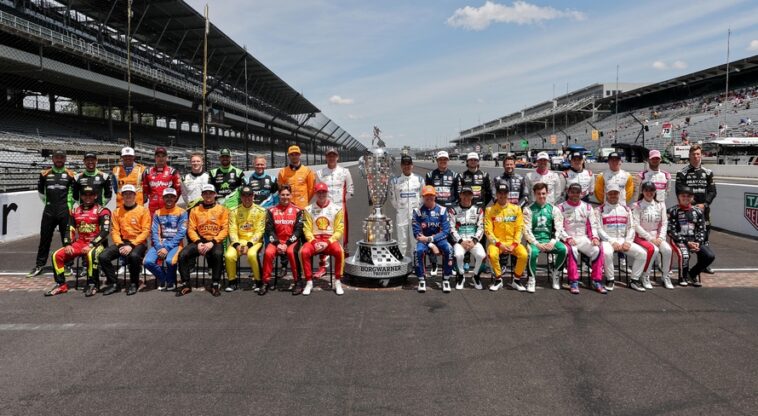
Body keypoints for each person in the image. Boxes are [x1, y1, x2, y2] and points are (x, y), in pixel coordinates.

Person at [46, 185, 111, 297]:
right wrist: (67, 244)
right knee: (56, 255)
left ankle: (92, 284)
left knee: (91, 254)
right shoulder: (75, 211)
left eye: (90, 195)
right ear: (81, 196)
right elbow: (69, 229)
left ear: (95, 196)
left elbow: (104, 232)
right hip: (80, 243)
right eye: (85, 195)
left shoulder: (103, 211)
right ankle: (61, 284)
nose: (87, 197)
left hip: (98, 244)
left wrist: (91, 245)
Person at [28, 149, 75, 277]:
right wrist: (48, 204)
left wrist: (68, 206)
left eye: (61, 157)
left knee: (67, 239)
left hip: (65, 210)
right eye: (56, 157)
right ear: (52, 159)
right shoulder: (44, 174)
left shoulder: (71, 174)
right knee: (44, 239)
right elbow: (41, 192)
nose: (59, 159)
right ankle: (39, 265)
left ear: (65, 159)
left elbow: (75, 194)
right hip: (49, 210)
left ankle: (68, 265)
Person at [176, 184, 229, 297]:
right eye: (205, 193)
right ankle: (186, 284)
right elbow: (191, 229)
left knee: (218, 254)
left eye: (210, 193)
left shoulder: (222, 210)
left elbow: (225, 229)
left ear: (215, 194)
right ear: (202, 195)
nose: (208, 195)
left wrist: (213, 242)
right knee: (182, 255)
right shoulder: (195, 210)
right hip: (199, 241)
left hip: (214, 241)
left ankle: (215, 284)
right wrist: (198, 242)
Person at [99, 185, 151, 296]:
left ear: (135, 195)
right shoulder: (117, 212)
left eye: (130, 193)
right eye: (125, 194)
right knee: (103, 256)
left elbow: (146, 231)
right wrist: (120, 244)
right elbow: (115, 231)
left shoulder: (143, 210)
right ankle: (114, 283)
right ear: (122, 196)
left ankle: (134, 283)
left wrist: (131, 245)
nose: (128, 196)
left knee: (134, 256)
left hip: (138, 242)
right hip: (122, 242)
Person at [597, 184, 649, 292]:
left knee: (642, 253)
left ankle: (634, 280)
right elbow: (598, 229)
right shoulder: (600, 209)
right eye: (610, 193)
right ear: (606, 195)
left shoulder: (626, 209)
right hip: (607, 240)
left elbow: (631, 227)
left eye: (615, 193)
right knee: (607, 253)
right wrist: (611, 242)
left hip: (623, 239)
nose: (613, 196)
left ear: (619, 195)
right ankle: (610, 279)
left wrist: (628, 241)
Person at [675, 144, 717, 274]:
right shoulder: (682, 173)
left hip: (704, 210)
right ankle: (686, 266)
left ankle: (703, 264)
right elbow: (679, 191)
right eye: (693, 154)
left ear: (701, 155)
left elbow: (712, 191)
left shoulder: (708, 172)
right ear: (689, 156)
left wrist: (704, 204)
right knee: (688, 237)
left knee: (704, 237)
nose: (696, 156)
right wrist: (692, 205)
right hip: (688, 211)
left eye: (698, 154)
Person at [299, 182, 346, 296]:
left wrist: (328, 242)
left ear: (327, 193)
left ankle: (338, 281)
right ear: (315, 194)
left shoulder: (337, 209)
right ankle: (309, 281)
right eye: (319, 192)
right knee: (303, 252)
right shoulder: (308, 209)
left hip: (330, 239)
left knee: (340, 251)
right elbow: (307, 229)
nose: (321, 195)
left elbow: (339, 229)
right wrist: (314, 242)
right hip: (314, 239)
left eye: (323, 192)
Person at [558, 183, 605, 294]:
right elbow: (559, 228)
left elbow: (592, 225)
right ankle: (573, 281)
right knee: (572, 250)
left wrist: (594, 238)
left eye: (577, 192)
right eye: (572, 192)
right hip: (568, 238)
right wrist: (567, 238)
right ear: (568, 192)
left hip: (583, 238)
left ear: (581, 194)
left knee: (597, 249)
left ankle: (596, 280)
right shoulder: (561, 207)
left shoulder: (588, 207)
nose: (575, 194)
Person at [315, 147, 354, 276]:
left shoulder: (345, 172)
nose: (331, 158)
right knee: (323, 235)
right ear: (326, 157)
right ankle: (323, 267)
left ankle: (342, 264)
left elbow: (350, 190)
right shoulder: (320, 173)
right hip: (324, 209)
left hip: (340, 209)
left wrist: (341, 202)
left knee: (341, 237)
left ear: (337, 157)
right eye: (329, 155)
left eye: (334, 155)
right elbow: (317, 191)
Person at [261, 185, 305, 296]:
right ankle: (265, 282)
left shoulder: (298, 210)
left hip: (291, 241)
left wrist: (287, 244)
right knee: (268, 253)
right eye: (282, 195)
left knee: (291, 252)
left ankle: (298, 282)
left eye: (287, 194)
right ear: (279, 196)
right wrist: (278, 243)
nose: (285, 197)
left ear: (291, 195)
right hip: (277, 241)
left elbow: (298, 230)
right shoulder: (271, 210)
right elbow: (269, 230)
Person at [667, 186, 715, 287]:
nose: (686, 198)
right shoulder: (672, 211)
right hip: (678, 240)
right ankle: (682, 277)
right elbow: (670, 231)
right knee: (685, 255)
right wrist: (686, 242)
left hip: (694, 240)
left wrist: (698, 242)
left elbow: (702, 229)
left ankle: (692, 274)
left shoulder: (698, 211)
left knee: (709, 256)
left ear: (692, 198)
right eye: (683, 196)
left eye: (689, 196)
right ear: (678, 197)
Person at [523, 183, 567, 292]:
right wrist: (537, 244)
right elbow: (526, 230)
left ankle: (555, 273)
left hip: (549, 240)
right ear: (534, 194)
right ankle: (531, 279)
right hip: (534, 241)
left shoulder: (554, 209)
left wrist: (552, 242)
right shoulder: (528, 210)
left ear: (547, 193)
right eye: (538, 194)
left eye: (543, 193)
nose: (541, 196)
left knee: (563, 249)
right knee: (533, 253)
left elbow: (559, 227)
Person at [484, 183, 528, 292]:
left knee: (524, 254)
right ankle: (498, 279)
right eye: (500, 193)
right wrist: (499, 244)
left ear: (508, 194)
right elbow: (488, 231)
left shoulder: (516, 209)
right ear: (496, 194)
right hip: (497, 243)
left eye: (504, 193)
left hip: (513, 243)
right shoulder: (490, 210)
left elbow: (519, 228)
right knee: (492, 254)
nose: (502, 195)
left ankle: (516, 280)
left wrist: (514, 245)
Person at [224, 186, 266, 292]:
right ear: (240, 197)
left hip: (254, 241)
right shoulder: (234, 211)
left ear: (253, 196)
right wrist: (237, 244)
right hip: (239, 240)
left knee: (252, 255)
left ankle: (258, 281)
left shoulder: (261, 211)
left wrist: (249, 245)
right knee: (229, 255)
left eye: (249, 195)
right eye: (244, 196)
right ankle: (232, 282)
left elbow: (260, 231)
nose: (247, 198)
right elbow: (232, 230)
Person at [144, 188, 187, 292]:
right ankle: (165, 278)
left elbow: (181, 233)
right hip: (160, 244)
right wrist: (159, 247)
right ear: (163, 198)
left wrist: (166, 248)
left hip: (175, 244)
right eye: (166, 196)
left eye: (172, 197)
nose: (169, 199)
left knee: (170, 261)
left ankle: (170, 282)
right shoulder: (157, 213)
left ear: (176, 198)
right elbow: (154, 232)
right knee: (147, 262)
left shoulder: (182, 212)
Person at [633, 181, 674, 290]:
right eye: (646, 190)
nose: (649, 192)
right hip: (641, 236)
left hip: (657, 236)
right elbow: (636, 225)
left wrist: (660, 237)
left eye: (651, 190)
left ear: (655, 192)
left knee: (667, 250)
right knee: (654, 250)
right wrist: (650, 238)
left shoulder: (660, 205)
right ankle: (645, 275)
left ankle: (666, 275)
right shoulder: (637, 205)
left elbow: (664, 223)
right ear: (642, 191)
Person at [412, 186, 453, 293]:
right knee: (418, 251)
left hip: (439, 239)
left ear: (435, 196)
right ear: (422, 197)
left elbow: (445, 231)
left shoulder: (443, 210)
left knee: (449, 249)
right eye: (426, 196)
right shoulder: (418, 212)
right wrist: (431, 244)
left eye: (431, 195)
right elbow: (417, 234)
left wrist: (430, 239)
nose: (429, 198)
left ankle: (446, 279)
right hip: (424, 241)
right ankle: (421, 279)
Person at [449, 187, 485, 290]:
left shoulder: (478, 210)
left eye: (468, 194)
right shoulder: (453, 210)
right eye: (464, 194)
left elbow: (481, 227)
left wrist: (474, 241)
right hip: (460, 241)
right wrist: (460, 241)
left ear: (472, 196)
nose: (466, 197)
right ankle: (461, 276)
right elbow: (451, 229)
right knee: (458, 254)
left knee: (481, 255)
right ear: (460, 195)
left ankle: (476, 276)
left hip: (473, 240)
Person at [388, 155, 424, 259]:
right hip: (402, 213)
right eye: (404, 164)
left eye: (409, 164)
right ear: (401, 166)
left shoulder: (419, 179)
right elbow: (392, 198)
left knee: (415, 239)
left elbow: (423, 196)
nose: (406, 166)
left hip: (415, 213)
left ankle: (415, 263)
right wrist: (400, 208)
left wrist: (417, 208)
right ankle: (401, 262)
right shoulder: (395, 181)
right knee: (402, 240)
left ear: (412, 165)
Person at [143, 147, 182, 216]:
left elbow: (178, 189)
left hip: (168, 208)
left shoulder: (172, 172)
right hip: (153, 208)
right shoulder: (148, 172)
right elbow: (145, 190)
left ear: (167, 157)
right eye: (158, 156)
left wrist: (172, 202)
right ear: (155, 157)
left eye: (163, 156)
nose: (161, 158)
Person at [277, 145, 316, 209]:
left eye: (296, 154)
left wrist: (304, 201)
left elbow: (311, 189)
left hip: (302, 206)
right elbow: (281, 190)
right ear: (288, 156)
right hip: (288, 207)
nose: (294, 156)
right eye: (292, 154)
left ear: (300, 155)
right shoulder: (282, 172)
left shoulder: (308, 171)